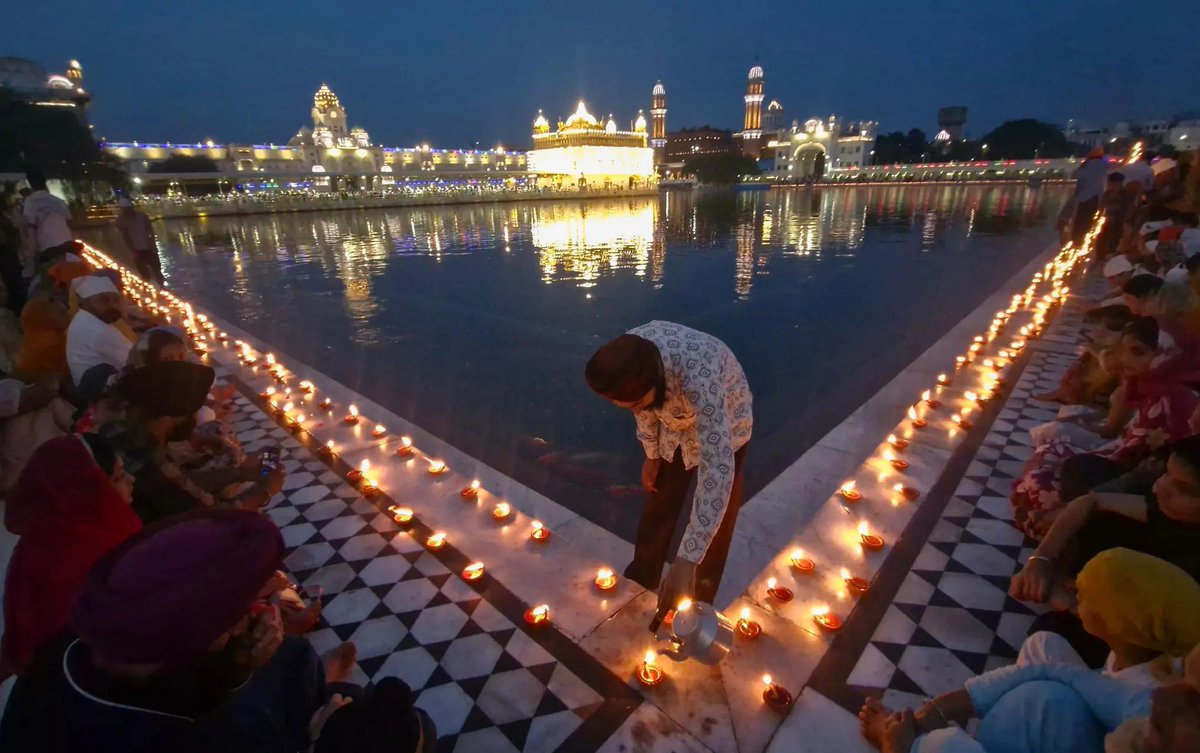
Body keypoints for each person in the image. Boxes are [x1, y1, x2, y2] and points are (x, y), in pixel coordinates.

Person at [0, 508, 372, 753]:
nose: (258, 614)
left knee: (291, 655)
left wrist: (234, 669)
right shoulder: (201, 741)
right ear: (197, 634)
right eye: (242, 610)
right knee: (361, 712)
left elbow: (178, 687)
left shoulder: (86, 644)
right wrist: (319, 741)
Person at [585, 321, 752, 618]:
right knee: (661, 499)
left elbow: (717, 470)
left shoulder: (699, 379)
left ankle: (696, 594)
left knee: (719, 512)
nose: (634, 410)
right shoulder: (630, 357)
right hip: (675, 425)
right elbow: (644, 409)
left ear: (658, 381)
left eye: (636, 402)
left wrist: (687, 559)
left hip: (728, 422)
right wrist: (652, 456)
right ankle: (642, 576)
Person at [1012, 317, 1200, 532]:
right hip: (1124, 465)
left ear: (1164, 355)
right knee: (1050, 455)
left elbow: (1134, 458)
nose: (1125, 358)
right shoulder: (1148, 384)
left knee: (1048, 464)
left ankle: (1060, 520)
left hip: (1131, 481)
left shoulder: (1172, 400)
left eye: (1138, 352)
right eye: (1124, 350)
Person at [858, 642, 1200, 753]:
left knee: (944, 746)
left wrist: (907, 747)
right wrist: (938, 708)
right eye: (1184, 675)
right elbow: (1058, 671)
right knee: (1046, 653)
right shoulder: (1149, 709)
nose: (1163, 697)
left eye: (1196, 701)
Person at [0, 434, 141, 679]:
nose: (132, 479)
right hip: (64, 678)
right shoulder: (97, 552)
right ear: (90, 490)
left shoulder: (49, 532)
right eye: (118, 476)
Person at [1011, 435, 1200, 610]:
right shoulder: (1168, 512)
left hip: (1134, 621)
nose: (1158, 487)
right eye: (1166, 474)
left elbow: (1153, 632)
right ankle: (1063, 561)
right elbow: (1094, 501)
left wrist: (1065, 601)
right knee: (1084, 481)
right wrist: (1040, 561)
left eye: (1182, 489)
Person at [100, 361, 283, 523]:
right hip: (167, 540)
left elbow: (184, 484)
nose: (196, 418)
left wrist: (241, 473)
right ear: (170, 416)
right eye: (194, 410)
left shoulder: (116, 430)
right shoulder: (149, 461)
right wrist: (265, 490)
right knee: (261, 524)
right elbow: (214, 517)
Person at [1014, 549, 1200, 690]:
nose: (1075, 592)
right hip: (1101, 682)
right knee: (1042, 643)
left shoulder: (1145, 694)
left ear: (1114, 625)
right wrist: (1069, 604)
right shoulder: (1137, 642)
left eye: (1084, 594)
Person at [65, 275, 134, 385]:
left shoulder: (83, 319)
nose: (112, 306)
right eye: (104, 300)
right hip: (102, 393)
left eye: (116, 300)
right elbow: (137, 360)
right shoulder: (99, 331)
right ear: (85, 302)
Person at [21, 169, 74, 265]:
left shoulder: (30, 202)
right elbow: (69, 221)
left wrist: (32, 253)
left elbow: (31, 228)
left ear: (29, 184)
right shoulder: (57, 201)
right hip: (67, 242)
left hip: (47, 248)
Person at [13, 297, 69, 383]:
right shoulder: (50, 344)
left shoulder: (31, 339)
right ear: (43, 317)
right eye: (62, 313)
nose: (68, 316)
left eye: (66, 312)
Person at [115, 197, 164, 286]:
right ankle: (151, 287)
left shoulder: (142, 217)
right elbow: (125, 236)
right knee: (144, 272)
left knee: (157, 270)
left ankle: (161, 286)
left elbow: (150, 231)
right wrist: (132, 250)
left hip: (148, 247)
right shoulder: (121, 220)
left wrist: (153, 245)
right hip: (137, 249)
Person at [1066, 147, 1109, 244]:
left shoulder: (1085, 166)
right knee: (1089, 221)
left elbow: (1075, 175)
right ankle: (1083, 241)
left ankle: (1076, 241)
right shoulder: (1104, 165)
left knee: (1080, 221)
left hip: (1082, 198)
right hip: (1096, 197)